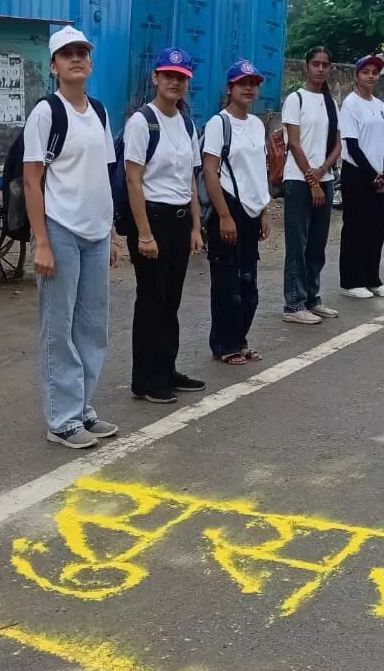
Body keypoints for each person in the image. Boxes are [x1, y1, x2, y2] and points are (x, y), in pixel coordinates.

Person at [23, 26, 121, 450]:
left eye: (82, 52)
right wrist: (41, 241)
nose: (76, 59)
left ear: (90, 62)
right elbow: (31, 181)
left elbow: (105, 175)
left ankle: (82, 409)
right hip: (60, 230)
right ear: (54, 66)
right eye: (67, 54)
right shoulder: (47, 112)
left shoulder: (99, 111)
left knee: (92, 327)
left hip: (97, 232)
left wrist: (113, 233)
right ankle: (61, 419)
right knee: (58, 328)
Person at [123, 48, 207, 404]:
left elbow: (189, 177)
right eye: (168, 75)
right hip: (152, 220)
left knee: (170, 301)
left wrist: (195, 227)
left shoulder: (186, 123)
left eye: (182, 77)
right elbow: (132, 180)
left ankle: (166, 368)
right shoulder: (142, 121)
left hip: (178, 220)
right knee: (151, 301)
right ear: (155, 78)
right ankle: (145, 380)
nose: (175, 81)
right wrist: (143, 233)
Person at [203, 60, 272, 366]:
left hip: (252, 210)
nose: (248, 88)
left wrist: (265, 210)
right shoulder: (220, 123)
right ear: (229, 88)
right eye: (242, 83)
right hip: (228, 208)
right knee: (226, 283)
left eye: (253, 83)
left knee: (248, 284)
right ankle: (224, 344)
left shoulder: (257, 124)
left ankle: (240, 339)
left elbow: (260, 170)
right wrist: (224, 215)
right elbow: (210, 171)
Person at [280, 47, 342, 324]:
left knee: (317, 244)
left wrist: (324, 171)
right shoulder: (296, 100)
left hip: (325, 180)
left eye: (325, 65)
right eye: (315, 64)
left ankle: (312, 298)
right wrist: (311, 178)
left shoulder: (331, 102)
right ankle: (294, 303)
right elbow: (293, 142)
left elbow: (338, 143)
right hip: (298, 180)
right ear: (306, 67)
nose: (320, 69)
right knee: (298, 243)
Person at [337, 54, 384, 300]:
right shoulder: (351, 104)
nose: (371, 76)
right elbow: (351, 145)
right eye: (366, 71)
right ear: (356, 75)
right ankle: (352, 281)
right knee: (355, 228)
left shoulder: (379, 105)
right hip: (357, 174)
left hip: (378, 176)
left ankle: (372, 278)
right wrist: (373, 173)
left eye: (375, 72)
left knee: (376, 229)